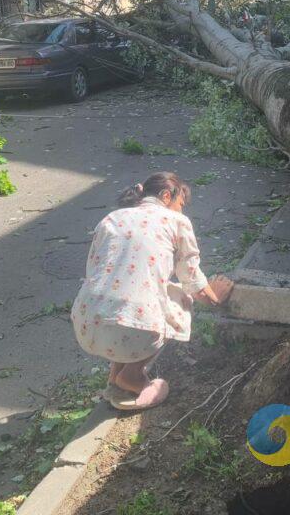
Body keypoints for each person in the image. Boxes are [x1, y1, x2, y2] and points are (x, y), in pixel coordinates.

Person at [70, 172, 234, 410]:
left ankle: (116, 374)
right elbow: (192, 280)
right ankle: (133, 375)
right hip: (132, 331)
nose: (181, 211)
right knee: (176, 297)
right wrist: (215, 296)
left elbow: (96, 270)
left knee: (124, 294)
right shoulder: (176, 222)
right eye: (180, 204)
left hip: (86, 325)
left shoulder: (111, 218)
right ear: (167, 196)